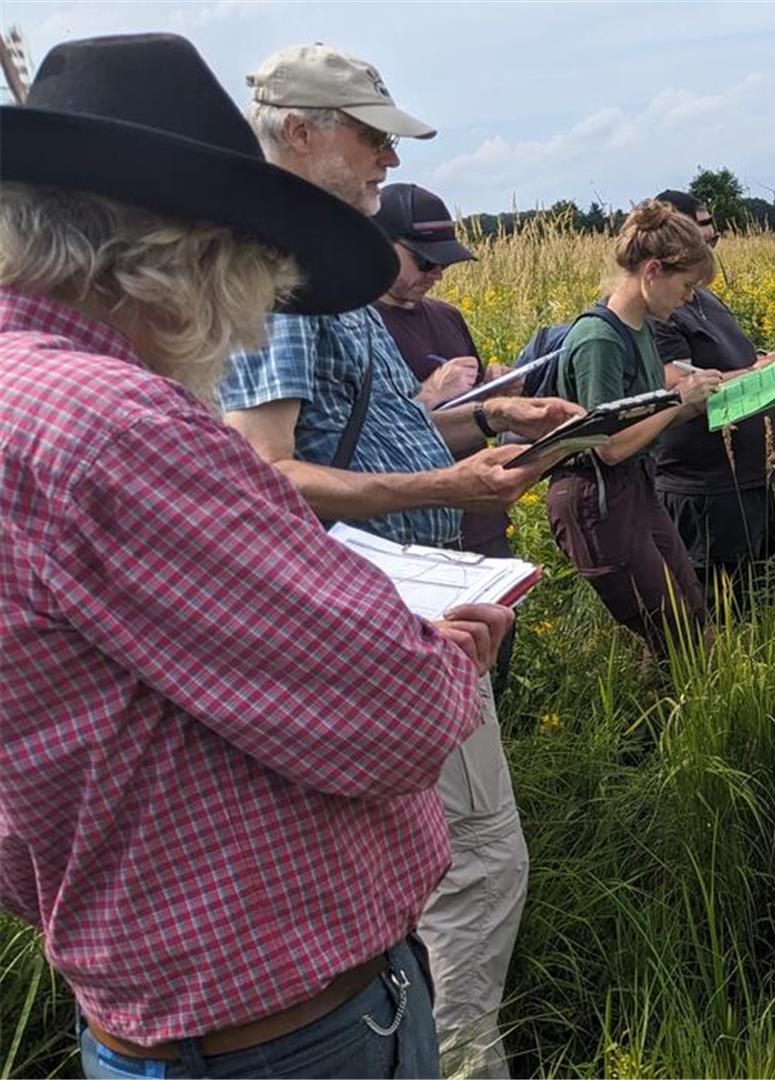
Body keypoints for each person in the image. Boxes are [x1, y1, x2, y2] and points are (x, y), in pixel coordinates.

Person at [0, 33, 512, 1078]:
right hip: (280, 1036)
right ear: (191, 254)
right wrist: (447, 659)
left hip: (151, 1013)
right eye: (252, 270)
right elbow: (394, 714)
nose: (243, 322)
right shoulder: (116, 427)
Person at [222, 43, 575, 1079]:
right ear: (299, 131)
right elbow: (268, 477)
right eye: (369, 134)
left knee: (432, 862)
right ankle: (461, 1063)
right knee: (475, 864)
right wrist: (442, 492)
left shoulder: (319, 269)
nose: (387, 156)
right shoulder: (272, 279)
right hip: (377, 610)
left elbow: (377, 434)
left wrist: (492, 429)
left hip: (415, 608)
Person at [545, 200, 723, 659]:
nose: (688, 298)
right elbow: (608, 444)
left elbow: (644, 417)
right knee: (671, 632)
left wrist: (698, 398)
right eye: (685, 286)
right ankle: (662, 724)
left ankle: (688, 712)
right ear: (652, 271)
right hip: (598, 499)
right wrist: (678, 402)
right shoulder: (600, 339)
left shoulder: (641, 326)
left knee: (693, 619)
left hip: (638, 489)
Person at [374, 181, 521, 687]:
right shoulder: (356, 326)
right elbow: (373, 442)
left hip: (479, 526)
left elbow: (471, 414)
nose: (436, 275)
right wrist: (428, 394)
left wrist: (498, 393)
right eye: (423, 261)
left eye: (445, 264)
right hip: (415, 545)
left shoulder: (447, 317)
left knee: (491, 672)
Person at [647, 190, 775, 618]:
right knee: (714, 616)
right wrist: (759, 373)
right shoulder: (659, 313)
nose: (710, 253)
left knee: (755, 608)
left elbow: (728, 367)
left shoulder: (706, 300)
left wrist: (770, 363)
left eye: (714, 241)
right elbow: (680, 386)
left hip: (748, 485)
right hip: (704, 494)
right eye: (702, 242)